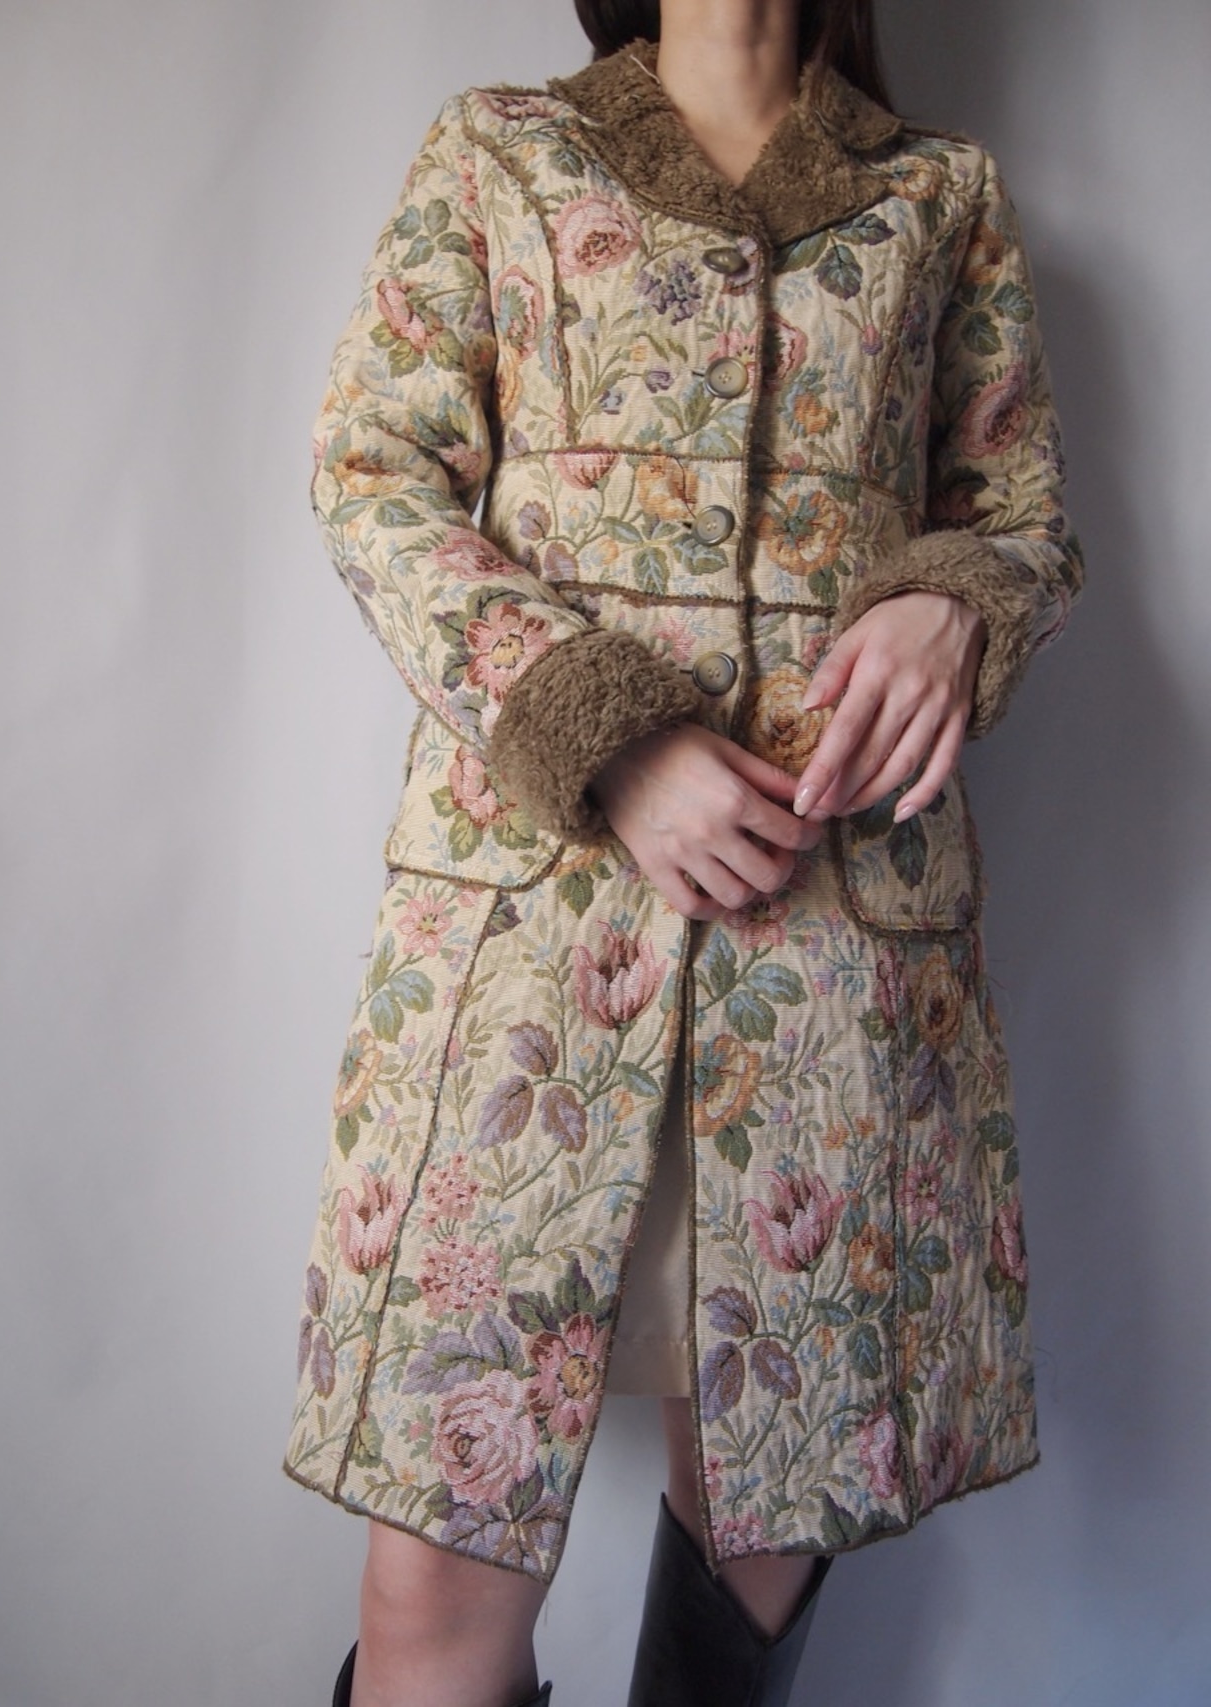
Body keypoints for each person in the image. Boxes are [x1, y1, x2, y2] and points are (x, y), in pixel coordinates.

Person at [284, 1, 1084, 1702]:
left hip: (832, 965)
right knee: (433, 1588)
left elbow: (1017, 518)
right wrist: (610, 738)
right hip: (529, 963)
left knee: (759, 1548)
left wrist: (956, 601)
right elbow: (373, 475)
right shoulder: (503, 149)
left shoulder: (940, 190)